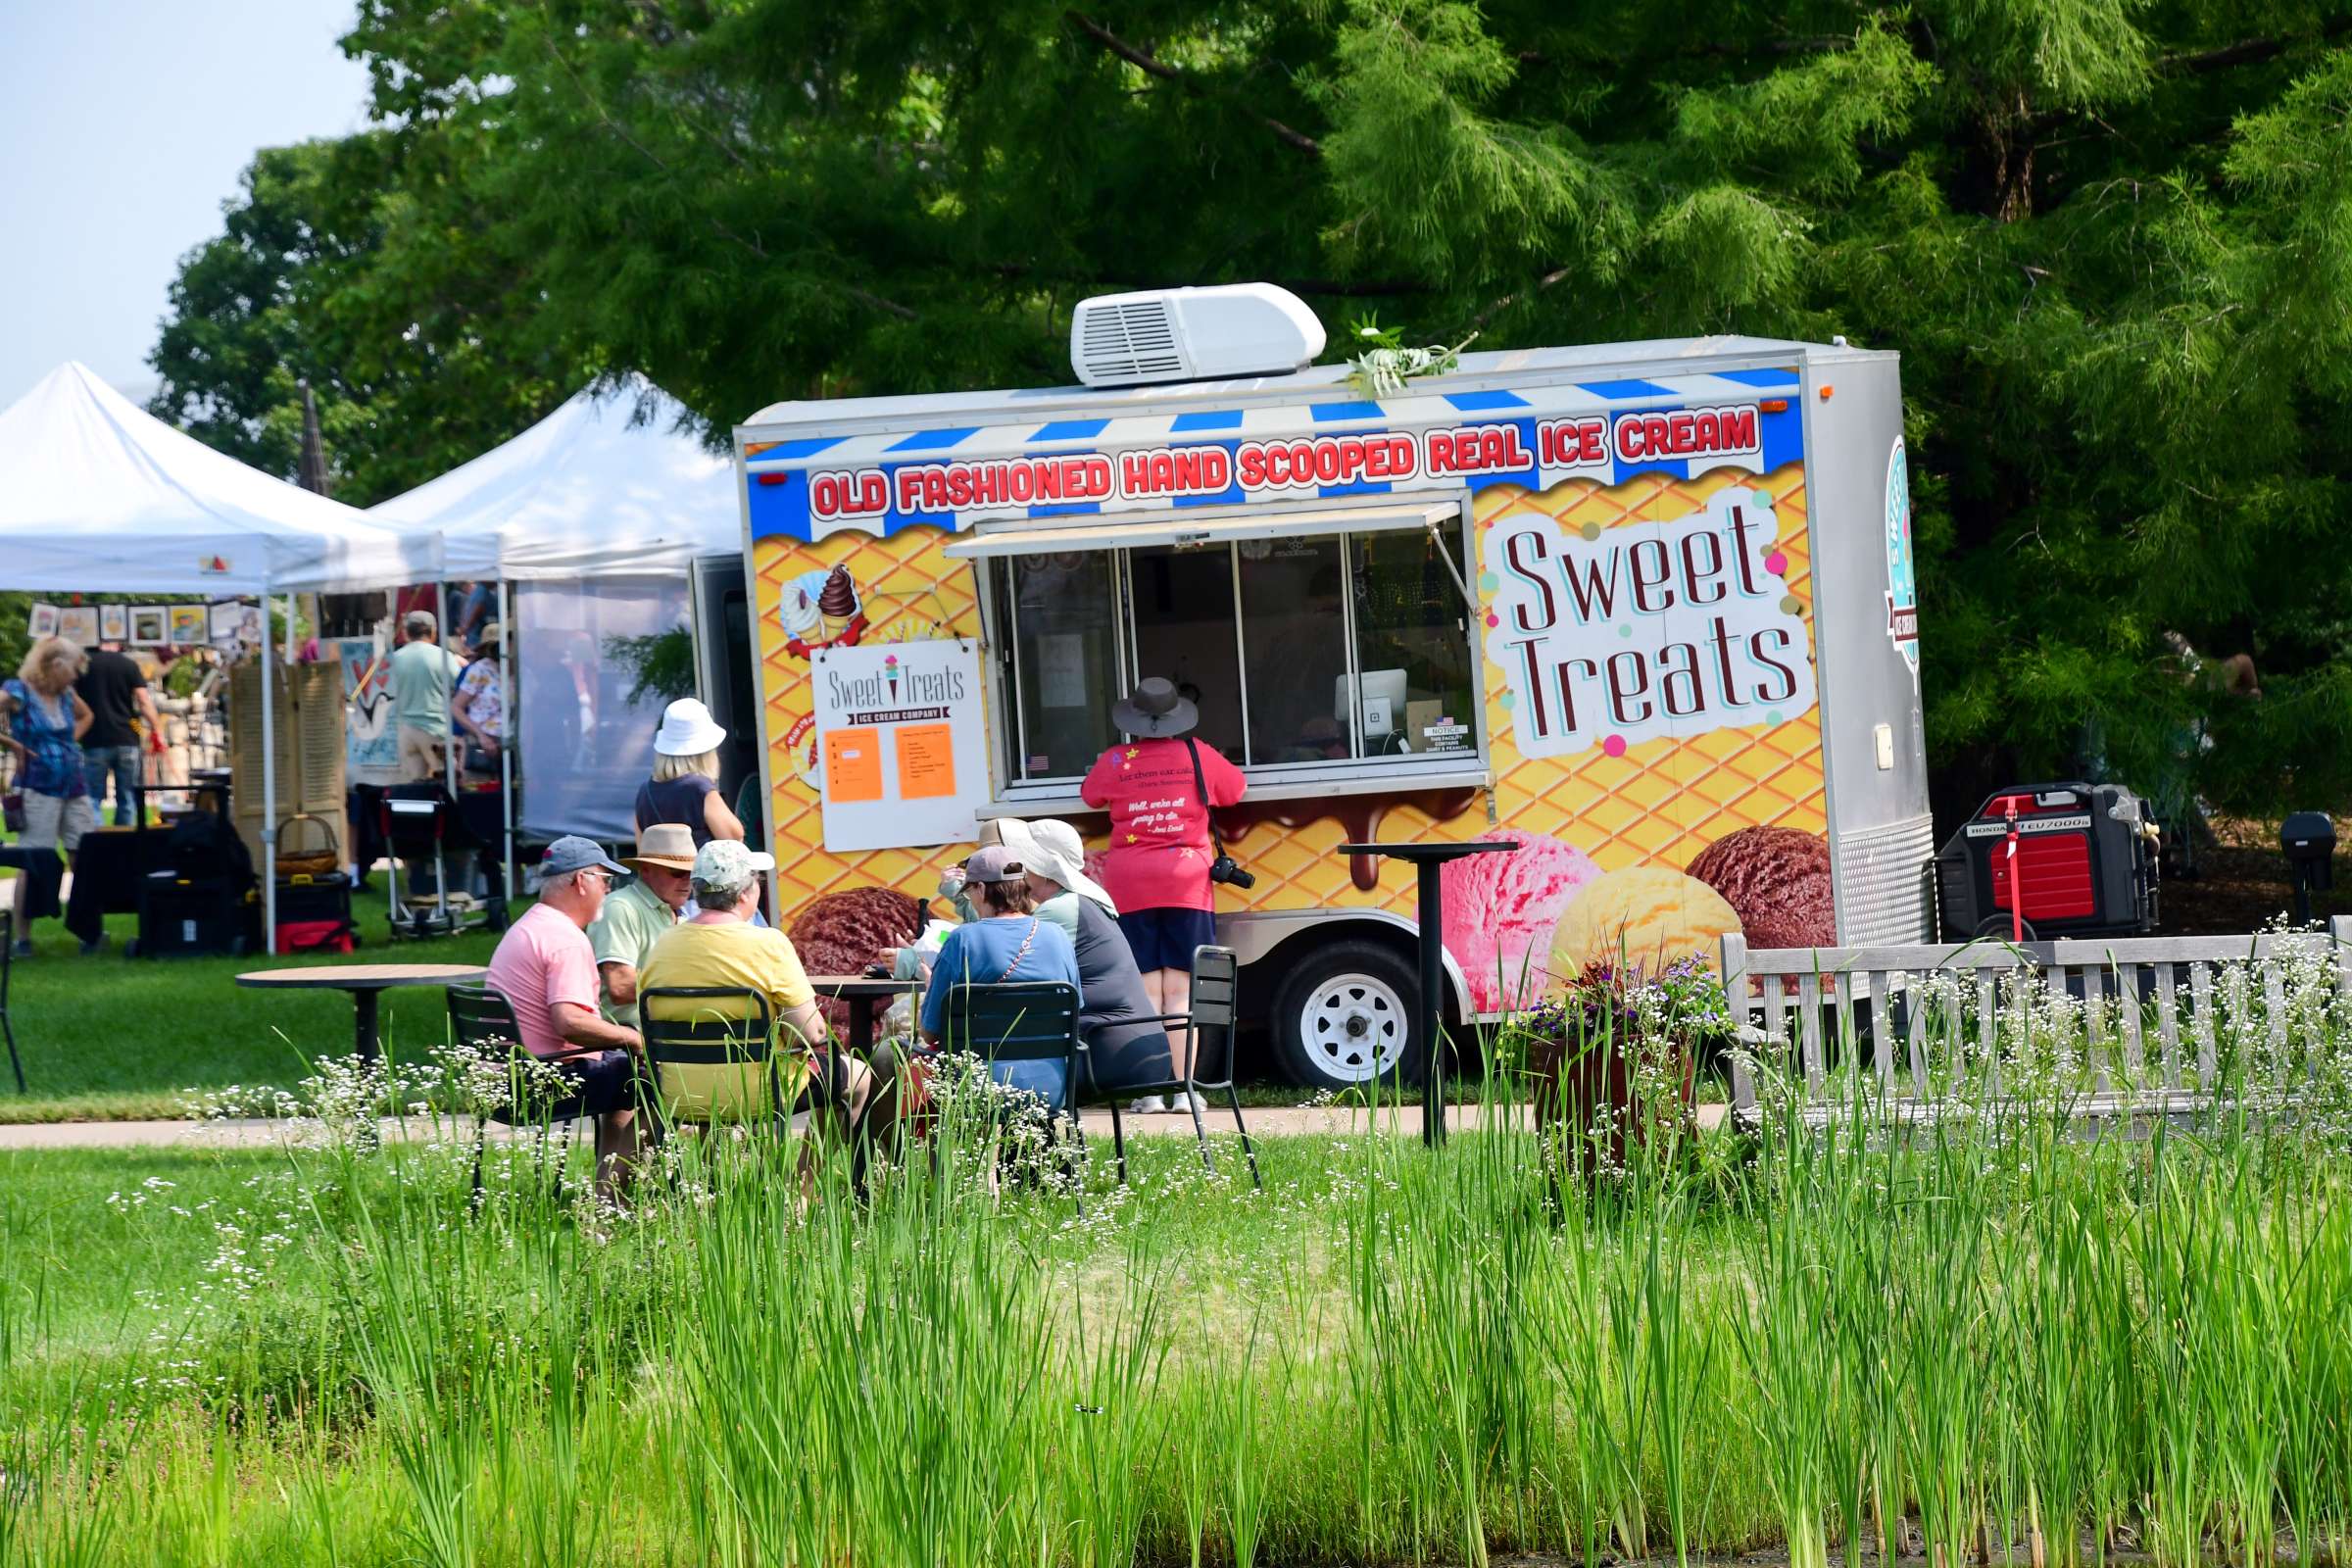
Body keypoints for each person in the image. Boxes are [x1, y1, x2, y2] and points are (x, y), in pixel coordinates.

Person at [638, 841, 875, 1176]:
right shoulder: (769, 943)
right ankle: (803, 1188)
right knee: (858, 1076)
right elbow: (812, 1032)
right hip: (759, 1091)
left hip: (680, 1090)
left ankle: (716, 1187)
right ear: (746, 892)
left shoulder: (664, 944)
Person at [1081, 676, 1247, 1112]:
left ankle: (1149, 1092)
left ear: (1134, 720)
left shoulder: (1117, 759)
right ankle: (1184, 1092)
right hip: (1186, 882)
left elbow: (1090, 796)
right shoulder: (1198, 754)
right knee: (1182, 992)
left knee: (1145, 990)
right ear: (1176, 717)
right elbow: (1235, 791)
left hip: (1130, 884)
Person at [482, 836, 646, 1200]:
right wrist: (633, 1038)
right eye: (605, 880)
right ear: (580, 881)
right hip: (541, 1082)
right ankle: (611, 1197)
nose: (607, 889)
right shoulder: (565, 939)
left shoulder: (529, 926)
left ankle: (609, 1187)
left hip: (501, 1080)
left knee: (622, 1072)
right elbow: (569, 1022)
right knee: (662, 1082)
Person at [997, 818, 1181, 1102]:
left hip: (1107, 1053)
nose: (1017, 870)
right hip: (1136, 1051)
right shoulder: (1083, 901)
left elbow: (1001, 965)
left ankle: (1038, 1147)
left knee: (1010, 1074)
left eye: (1023, 862)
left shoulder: (1060, 910)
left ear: (1044, 867)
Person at [920, 845, 1083, 1109]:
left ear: (981, 889)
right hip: (1052, 1088)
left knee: (887, 1056)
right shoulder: (1057, 936)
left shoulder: (963, 939)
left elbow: (929, 1033)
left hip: (980, 1088)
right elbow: (1074, 1014)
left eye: (969, 891)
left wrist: (930, 989)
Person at [2, 638, 98, 956]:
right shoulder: (19, 691)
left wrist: (66, 745)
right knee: (33, 859)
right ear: (54, 664)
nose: (76, 676)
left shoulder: (66, 694)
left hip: (74, 784)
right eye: (73, 669)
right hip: (36, 786)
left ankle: (89, 932)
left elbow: (88, 716)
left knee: (82, 854)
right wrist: (13, 744)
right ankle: (23, 938)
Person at [589, 823, 695, 1030]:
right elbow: (620, 986)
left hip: (664, 1037)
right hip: (627, 1042)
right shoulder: (621, 907)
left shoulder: (681, 913)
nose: (687, 881)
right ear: (646, 870)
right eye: (677, 872)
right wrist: (695, 980)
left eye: (693, 873)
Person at [75, 641, 164, 827]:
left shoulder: (83, 666)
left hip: (94, 738)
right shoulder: (128, 664)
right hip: (127, 737)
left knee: (92, 797)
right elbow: (143, 700)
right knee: (127, 796)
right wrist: (157, 730)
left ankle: (98, 841)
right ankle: (122, 842)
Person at [636, 698, 745, 849]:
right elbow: (734, 837)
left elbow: (642, 847)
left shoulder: (645, 792)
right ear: (705, 752)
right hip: (697, 872)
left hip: (660, 873)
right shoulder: (698, 788)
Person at [389, 610, 466, 782]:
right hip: (435, 732)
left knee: (416, 788)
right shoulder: (444, 657)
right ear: (433, 632)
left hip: (404, 732)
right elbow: (461, 687)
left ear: (406, 633)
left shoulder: (394, 658)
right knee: (449, 784)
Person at [451, 620, 507, 778]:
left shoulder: (518, 672)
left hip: (504, 744)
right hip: (478, 742)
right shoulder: (476, 670)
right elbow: (458, 706)